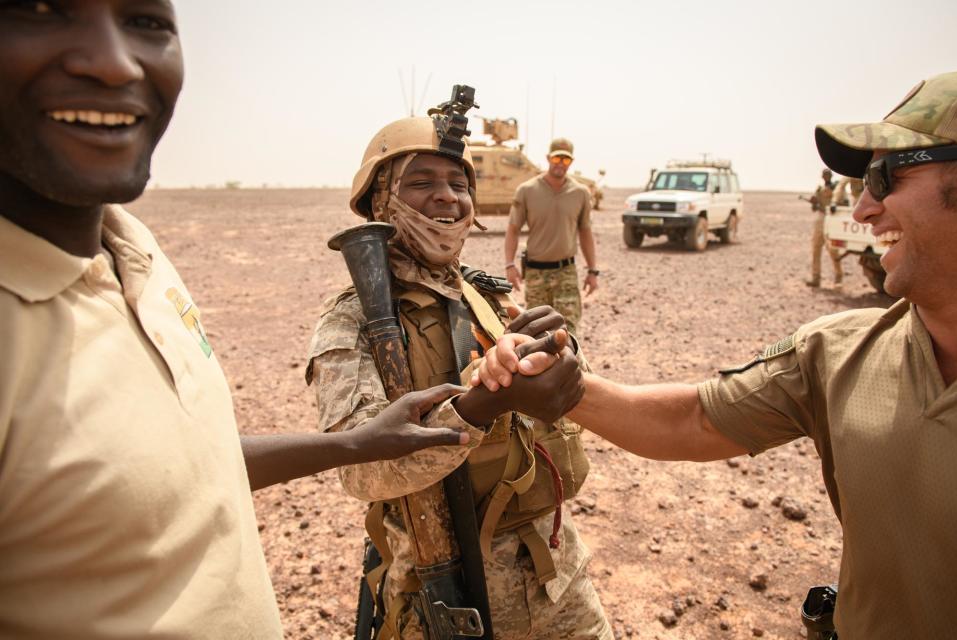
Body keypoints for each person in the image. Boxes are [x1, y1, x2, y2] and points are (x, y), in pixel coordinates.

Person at [0, 3, 470, 637]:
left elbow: (186, 459)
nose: (112, 63)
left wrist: (352, 443)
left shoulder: (133, 249)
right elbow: (369, 481)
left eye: (146, 20)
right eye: (39, 11)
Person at [474, 71, 957, 638]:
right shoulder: (840, 353)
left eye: (885, 176)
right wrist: (560, 383)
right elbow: (695, 419)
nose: (863, 210)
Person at [306, 102, 612, 639]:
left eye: (458, 183)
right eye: (421, 182)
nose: (448, 196)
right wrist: (481, 403)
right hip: (441, 587)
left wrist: (560, 352)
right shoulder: (353, 320)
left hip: (555, 576)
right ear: (380, 199)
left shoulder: (488, 294)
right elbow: (361, 468)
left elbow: (566, 396)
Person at [503, 138, 599, 337]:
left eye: (566, 160)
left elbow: (586, 232)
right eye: (557, 158)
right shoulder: (527, 190)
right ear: (548, 158)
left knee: (569, 331)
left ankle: (574, 368)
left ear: (571, 162)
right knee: (538, 333)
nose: (560, 163)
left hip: (566, 272)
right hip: (536, 273)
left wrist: (592, 271)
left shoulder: (580, 193)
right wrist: (509, 265)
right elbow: (513, 229)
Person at [806, 168, 844, 287]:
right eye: (824, 175)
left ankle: (839, 277)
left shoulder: (837, 189)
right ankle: (815, 277)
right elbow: (814, 208)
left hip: (832, 219)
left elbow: (843, 203)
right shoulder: (819, 190)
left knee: (833, 250)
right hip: (820, 219)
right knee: (816, 248)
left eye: (828, 175)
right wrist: (814, 203)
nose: (826, 177)